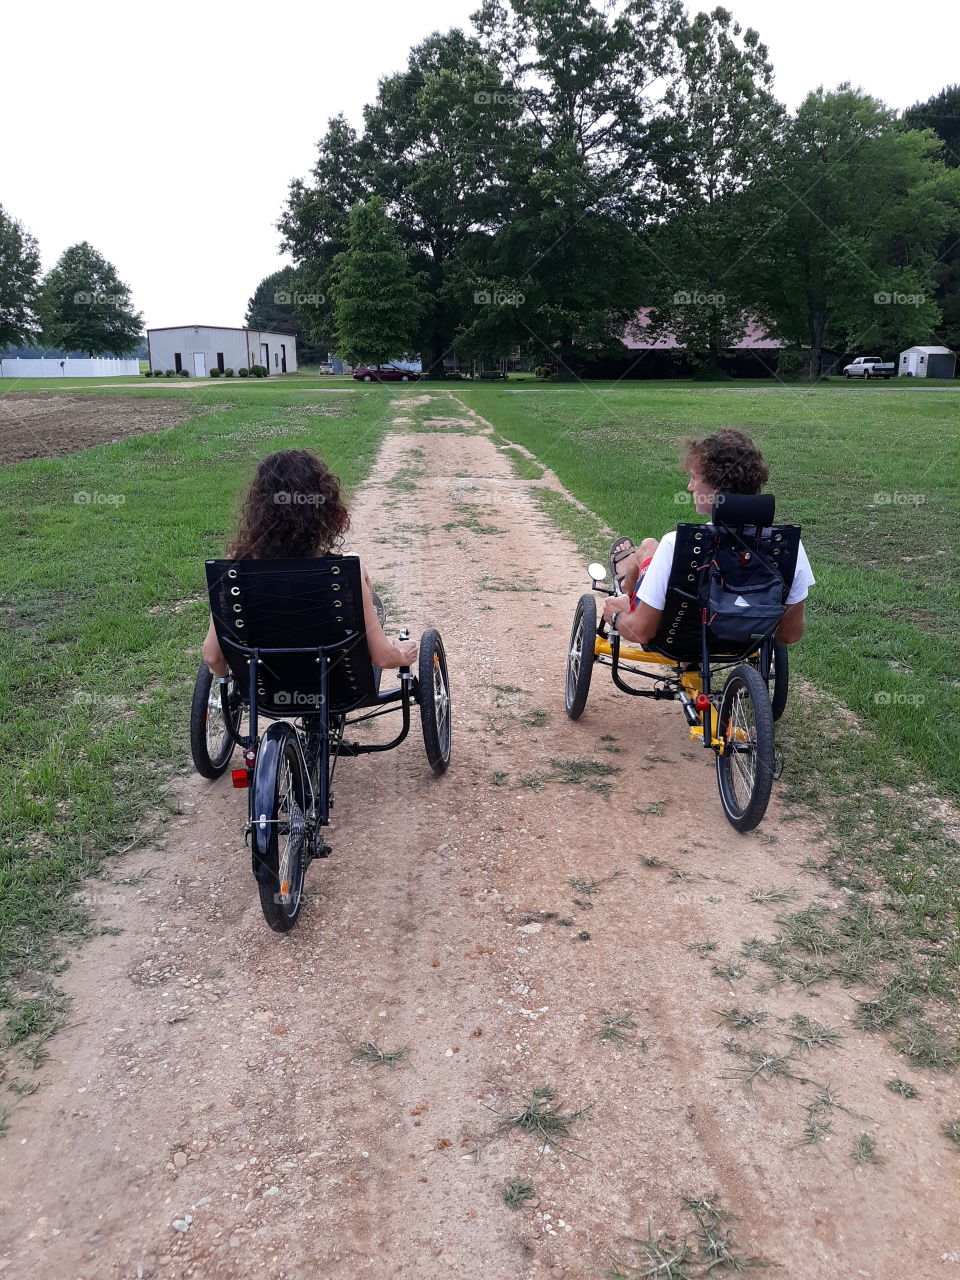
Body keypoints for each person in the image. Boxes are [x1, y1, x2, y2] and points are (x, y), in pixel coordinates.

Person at [202, 449, 419, 677]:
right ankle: (367, 631)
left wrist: (228, 675)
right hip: (338, 683)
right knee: (357, 567)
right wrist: (402, 653)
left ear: (258, 508)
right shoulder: (345, 570)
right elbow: (384, 658)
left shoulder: (232, 570)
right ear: (323, 508)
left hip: (263, 688)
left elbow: (213, 657)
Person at [602, 428, 814, 646]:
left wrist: (615, 616)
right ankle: (627, 589)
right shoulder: (789, 546)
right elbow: (789, 634)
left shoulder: (676, 543)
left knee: (648, 546)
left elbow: (642, 632)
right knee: (650, 548)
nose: (689, 486)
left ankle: (625, 594)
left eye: (694, 478)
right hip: (745, 644)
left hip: (678, 640)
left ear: (717, 486)